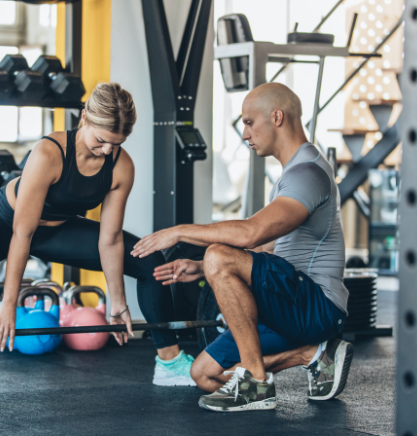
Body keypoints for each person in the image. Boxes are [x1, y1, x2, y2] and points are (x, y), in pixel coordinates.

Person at [0, 83, 196, 404]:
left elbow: (110, 239)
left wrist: (118, 302)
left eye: (116, 143)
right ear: (84, 119)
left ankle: (170, 362)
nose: (107, 150)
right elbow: (22, 233)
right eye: (101, 140)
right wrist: (9, 303)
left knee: (151, 260)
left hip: (57, 229)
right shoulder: (49, 152)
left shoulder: (121, 166)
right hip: (3, 220)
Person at [132, 82, 353, 412]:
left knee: (218, 255)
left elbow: (251, 233)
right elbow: (268, 248)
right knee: (204, 374)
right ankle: (311, 354)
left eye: (249, 122)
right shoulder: (290, 177)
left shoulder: (308, 173)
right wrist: (201, 268)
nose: (245, 134)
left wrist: (179, 233)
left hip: (316, 306)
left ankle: (257, 382)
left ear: (277, 117)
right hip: (289, 303)